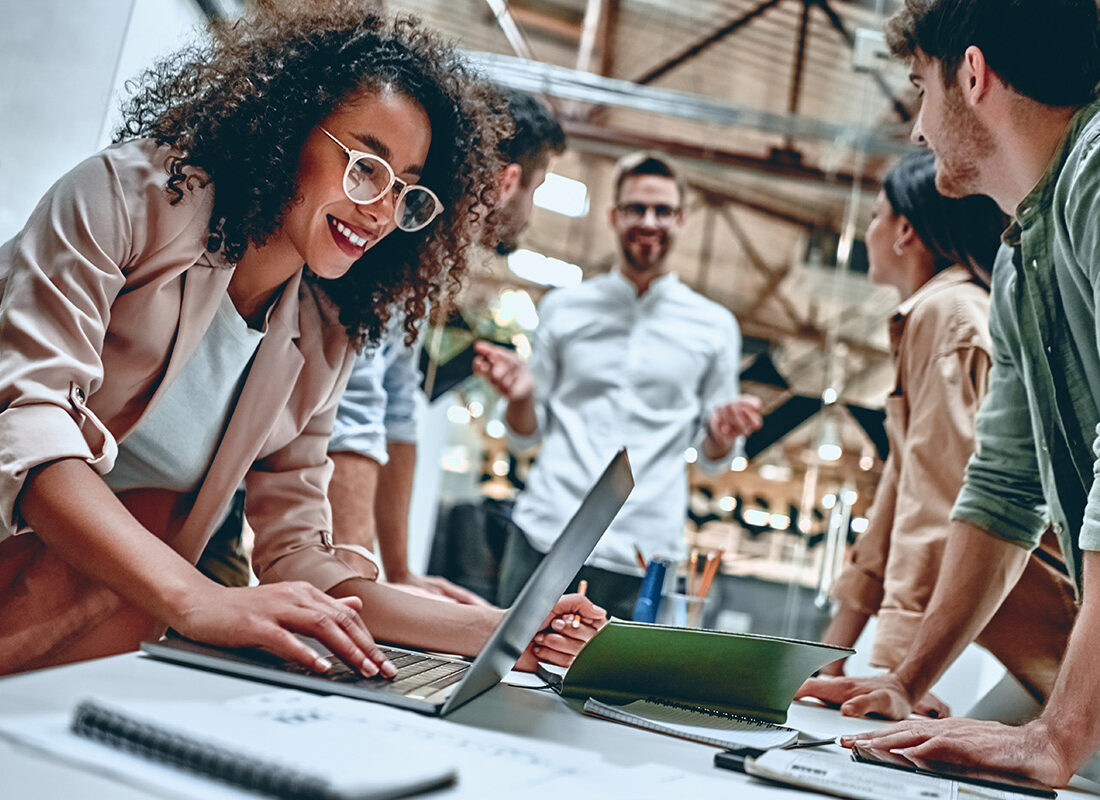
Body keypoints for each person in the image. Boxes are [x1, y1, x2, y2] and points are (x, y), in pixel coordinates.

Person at [0, 5, 602, 678]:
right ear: (286, 129)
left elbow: (300, 557)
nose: (380, 209)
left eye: (406, 189)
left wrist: (503, 626)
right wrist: (198, 599)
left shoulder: (322, 333)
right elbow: (27, 430)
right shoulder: (124, 199)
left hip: (90, 622)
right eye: (367, 165)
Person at [796, 0, 1100, 785]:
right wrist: (905, 680)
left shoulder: (1097, 171)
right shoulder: (1021, 255)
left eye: (919, 88)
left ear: (972, 75)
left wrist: (1057, 736)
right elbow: (1001, 488)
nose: (917, 129)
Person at [801, 152, 1075, 718]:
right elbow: (895, 504)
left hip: (1061, 637)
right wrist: (829, 654)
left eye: (876, 215)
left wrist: (900, 675)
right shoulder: (939, 314)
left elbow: (939, 500)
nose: (870, 231)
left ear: (905, 230)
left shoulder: (947, 315)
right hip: (1038, 642)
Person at [475, 151, 763, 620]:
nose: (648, 221)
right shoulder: (564, 308)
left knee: (616, 692)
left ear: (682, 219)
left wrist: (722, 433)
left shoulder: (716, 327)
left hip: (645, 550)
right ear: (613, 216)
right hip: (548, 532)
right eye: (635, 208)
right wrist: (523, 397)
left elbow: (715, 460)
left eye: (663, 210)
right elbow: (525, 432)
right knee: (507, 675)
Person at [326, 89, 565, 604]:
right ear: (508, 182)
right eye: (538, 188)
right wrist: (361, 587)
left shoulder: (431, 260)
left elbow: (396, 408)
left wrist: (398, 572)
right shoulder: (401, 236)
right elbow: (357, 407)